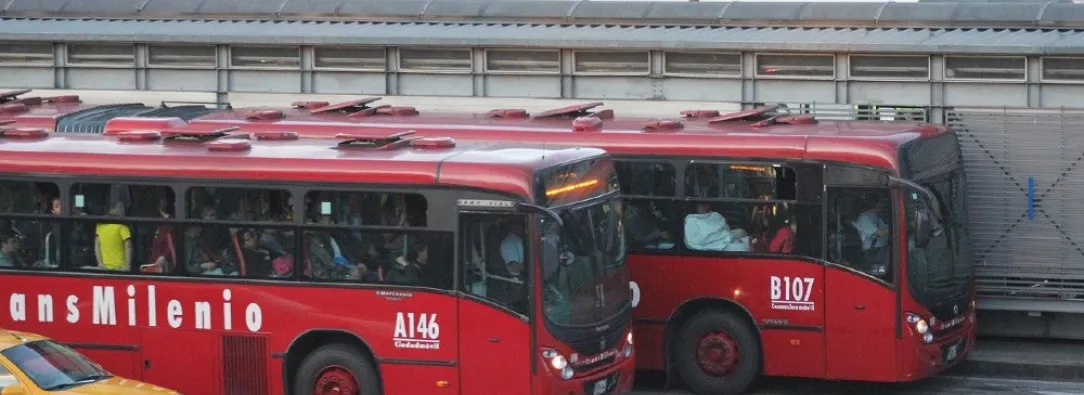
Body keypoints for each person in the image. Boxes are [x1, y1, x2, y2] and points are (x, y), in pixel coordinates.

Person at [684, 202, 749, 252]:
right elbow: (696, 242)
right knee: (742, 248)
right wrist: (721, 238)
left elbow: (726, 230)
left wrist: (728, 236)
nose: (705, 206)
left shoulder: (716, 215)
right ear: (697, 205)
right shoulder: (691, 220)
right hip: (715, 248)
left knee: (742, 235)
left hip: (727, 240)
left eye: (707, 203)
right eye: (702, 204)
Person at [94, 201, 132, 271]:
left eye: (123, 207)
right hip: (108, 267)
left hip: (119, 268)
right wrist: (100, 263)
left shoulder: (122, 226)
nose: (122, 210)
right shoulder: (122, 226)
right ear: (111, 209)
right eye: (120, 207)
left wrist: (127, 266)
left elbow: (128, 247)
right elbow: (97, 245)